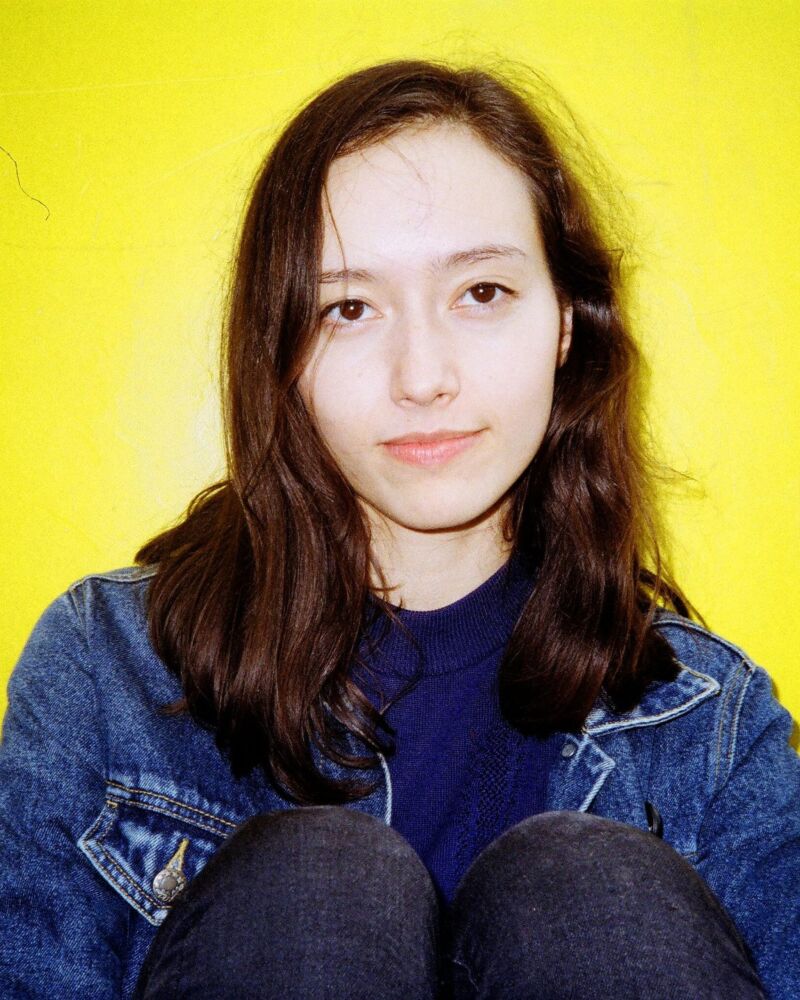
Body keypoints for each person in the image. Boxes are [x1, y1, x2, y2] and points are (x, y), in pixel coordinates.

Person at [1, 58, 798, 1000]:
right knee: (318, 884)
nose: (422, 377)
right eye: (349, 308)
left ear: (565, 325)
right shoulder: (108, 671)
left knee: (587, 888)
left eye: (482, 293)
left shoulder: (708, 725)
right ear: (281, 353)